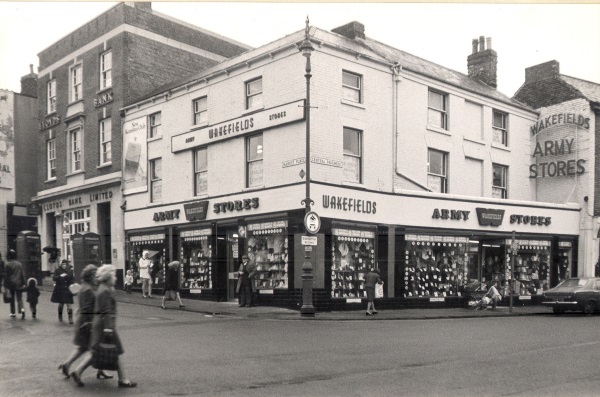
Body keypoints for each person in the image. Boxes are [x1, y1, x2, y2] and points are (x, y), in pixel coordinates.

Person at [69, 264, 137, 388]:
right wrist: (108, 329)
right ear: (109, 276)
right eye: (114, 275)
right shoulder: (105, 290)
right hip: (105, 326)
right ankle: (123, 379)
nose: (116, 277)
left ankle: (78, 371)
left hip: (100, 324)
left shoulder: (102, 287)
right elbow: (107, 310)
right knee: (116, 350)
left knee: (98, 351)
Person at [58, 265, 112, 381]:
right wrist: (90, 324)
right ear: (91, 276)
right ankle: (77, 370)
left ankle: (67, 364)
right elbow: (87, 308)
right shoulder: (88, 289)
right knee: (96, 348)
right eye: (95, 276)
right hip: (88, 321)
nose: (97, 278)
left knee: (82, 347)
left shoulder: (84, 287)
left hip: (83, 320)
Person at [3, 249, 26, 319]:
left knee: (12, 298)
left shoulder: (7, 264)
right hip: (19, 283)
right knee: (19, 298)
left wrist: (4, 284)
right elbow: (22, 274)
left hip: (11, 283)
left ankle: (12, 312)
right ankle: (22, 309)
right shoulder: (19, 264)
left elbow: (6, 275)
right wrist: (24, 282)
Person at [51, 259, 75, 323]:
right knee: (61, 304)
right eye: (63, 264)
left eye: (65, 264)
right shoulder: (57, 270)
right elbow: (54, 278)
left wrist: (68, 278)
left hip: (68, 289)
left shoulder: (70, 271)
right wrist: (60, 276)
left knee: (69, 304)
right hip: (60, 289)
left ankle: (70, 319)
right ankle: (60, 316)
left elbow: (72, 279)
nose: (64, 265)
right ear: (61, 265)